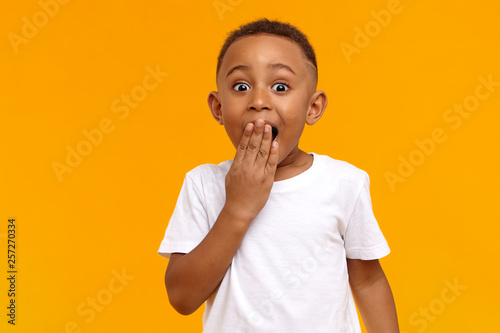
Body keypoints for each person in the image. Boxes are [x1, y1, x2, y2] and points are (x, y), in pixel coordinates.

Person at [158, 18, 399, 333]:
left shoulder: (344, 182)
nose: (259, 102)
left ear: (313, 108)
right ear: (218, 108)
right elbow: (182, 297)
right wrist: (238, 208)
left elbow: (367, 281)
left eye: (280, 87)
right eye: (241, 87)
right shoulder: (203, 184)